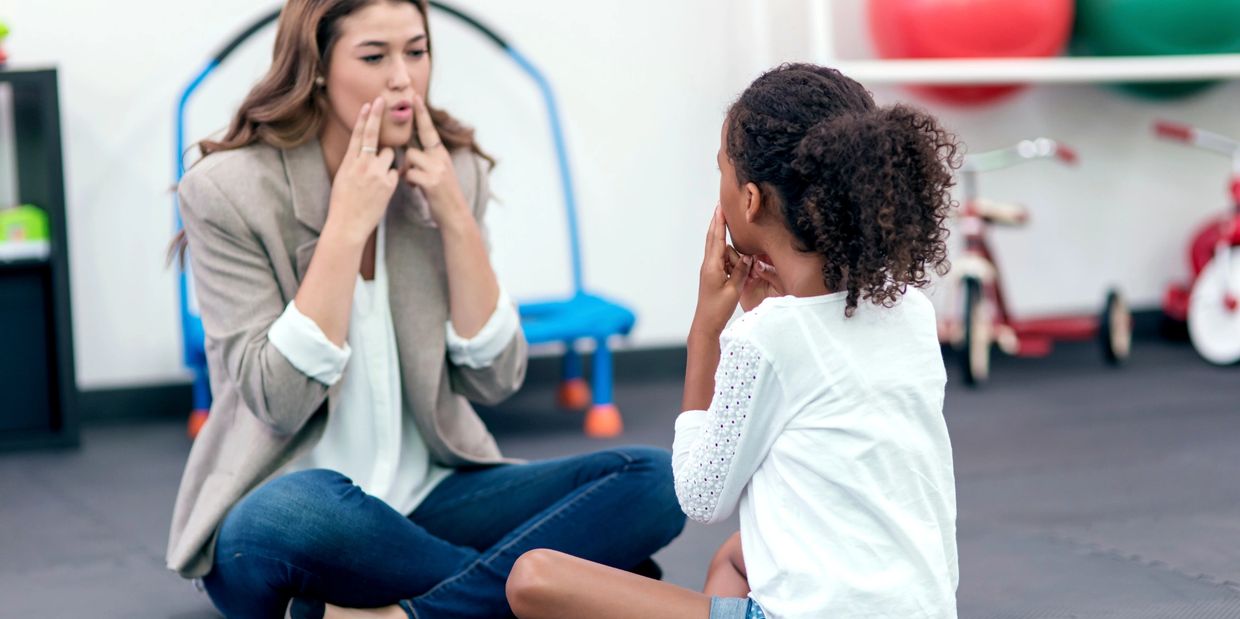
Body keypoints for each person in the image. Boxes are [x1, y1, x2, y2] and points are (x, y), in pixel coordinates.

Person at [166, 1, 684, 617]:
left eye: (416, 51)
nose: (402, 77)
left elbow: (494, 380)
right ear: (318, 67)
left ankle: (414, 612)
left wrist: (454, 216)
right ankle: (547, 592)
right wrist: (345, 227)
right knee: (299, 510)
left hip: (430, 495)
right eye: (374, 56)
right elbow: (278, 400)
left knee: (656, 481)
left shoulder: (452, 170)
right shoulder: (227, 190)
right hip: (289, 509)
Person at [504, 63, 960, 619]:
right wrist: (770, 317)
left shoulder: (765, 337)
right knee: (737, 558)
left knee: (534, 578)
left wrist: (706, 331)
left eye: (720, 168)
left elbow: (701, 496)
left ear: (748, 200)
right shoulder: (908, 308)